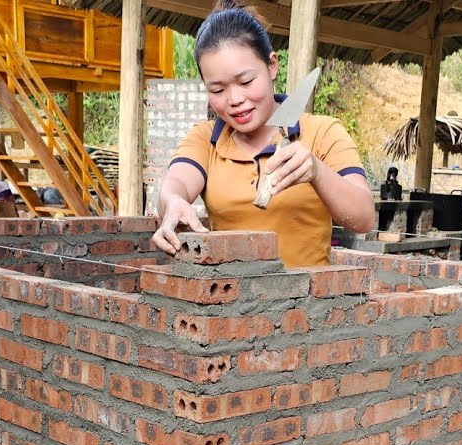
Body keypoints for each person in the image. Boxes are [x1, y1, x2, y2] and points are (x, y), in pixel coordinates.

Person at [149, 0, 376, 267]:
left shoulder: (322, 133)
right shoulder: (204, 139)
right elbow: (177, 183)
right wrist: (173, 202)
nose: (235, 99)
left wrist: (316, 171)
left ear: (272, 66)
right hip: (227, 300)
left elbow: (362, 219)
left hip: (309, 304)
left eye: (246, 82)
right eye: (217, 90)